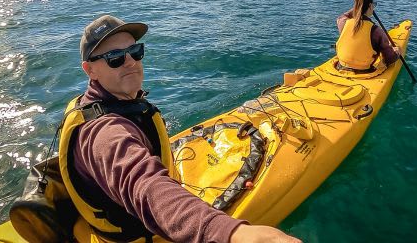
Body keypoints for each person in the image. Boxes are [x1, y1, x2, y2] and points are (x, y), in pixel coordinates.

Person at [59, 15, 301, 243]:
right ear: (90, 70)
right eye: (115, 57)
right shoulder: (104, 133)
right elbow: (145, 187)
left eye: (135, 51)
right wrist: (231, 233)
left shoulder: (112, 102)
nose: (131, 62)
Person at [335, 0, 400, 72]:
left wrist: (358, 5)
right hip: (363, 71)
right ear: (370, 5)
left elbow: (342, 16)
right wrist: (396, 53)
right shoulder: (376, 31)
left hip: (340, 66)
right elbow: (389, 59)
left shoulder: (344, 22)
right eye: (373, 5)